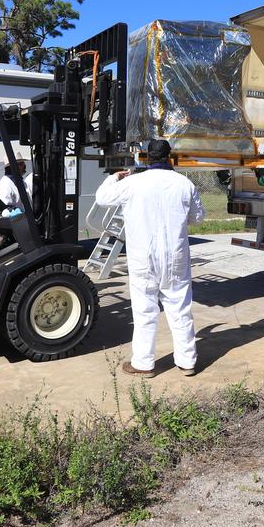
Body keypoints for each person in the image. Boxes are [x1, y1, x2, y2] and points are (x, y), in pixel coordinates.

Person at [94, 139, 205, 377]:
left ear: (147, 157)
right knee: (180, 307)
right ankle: (187, 362)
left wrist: (115, 177)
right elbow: (197, 218)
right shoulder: (184, 184)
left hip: (143, 257)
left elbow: (102, 198)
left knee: (144, 310)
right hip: (175, 256)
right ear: (169, 157)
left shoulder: (133, 183)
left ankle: (143, 365)